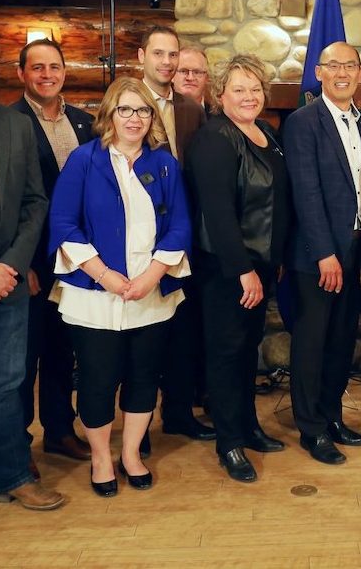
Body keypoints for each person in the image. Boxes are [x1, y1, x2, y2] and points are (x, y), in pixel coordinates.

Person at [47, 76, 191, 496]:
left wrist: (152, 275)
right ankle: (100, 458)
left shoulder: (164, 164)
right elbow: (63, 224)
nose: (134, 118)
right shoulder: (84, 160)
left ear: (152, 117)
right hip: (94, 295)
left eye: (143, 110)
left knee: (144, 376)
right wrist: (105, 275)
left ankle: (130, 454)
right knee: (97, 379)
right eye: (125, 109)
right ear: (109, 113)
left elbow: (180, 224)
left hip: (150, 292)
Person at [0, 26, 63, 510]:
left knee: (6, 385)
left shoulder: (16, 125)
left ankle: (12, 476)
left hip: (9, 282)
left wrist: (12, 266)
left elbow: (34, 201)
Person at [186, 55, 289, 482]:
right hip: (228, 270)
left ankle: (248, 426)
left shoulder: (265, 132)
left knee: (249, 352)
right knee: (227, 354)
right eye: (239, 89)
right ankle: (229, 442)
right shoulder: (214, 138)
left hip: (261, 266)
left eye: (255, 89)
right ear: (220, 94)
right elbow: (217, 213)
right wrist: (243, 269)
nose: (249, 96)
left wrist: (272, 265)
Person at [283, 41, 361, 465]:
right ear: (318, 72)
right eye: (333, 65)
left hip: (353, 249)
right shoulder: (303, 122)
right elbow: (306, 191)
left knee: (340, 342)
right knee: (312, 342)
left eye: (349, 66)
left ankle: (333, 415)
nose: (342, 72)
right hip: (317, 257)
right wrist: (324, 253)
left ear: (359, 72)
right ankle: (311, 428)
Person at [13, 38, 93, 466]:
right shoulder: (10, 121)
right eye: (37, 68)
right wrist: (22, 263)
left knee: (64, 348)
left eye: (54, 67)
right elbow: (10, 201)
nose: (47, 75)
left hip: (75, 259)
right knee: (23, 359)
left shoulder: (83, 122)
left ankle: (60, 431)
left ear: (65, 71)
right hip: (33, 260)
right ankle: (17, 444)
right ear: (22, 73)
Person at [138, 26, 212, 448]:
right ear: (143, 56)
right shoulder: (126, 102)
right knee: (146, 338)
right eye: (160, 54)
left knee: (184, 332)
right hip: (139, 239)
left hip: (184, 238)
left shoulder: (190, 108)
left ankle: (180, 414)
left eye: (173, 55)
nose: (167, 63)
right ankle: (138, 424)